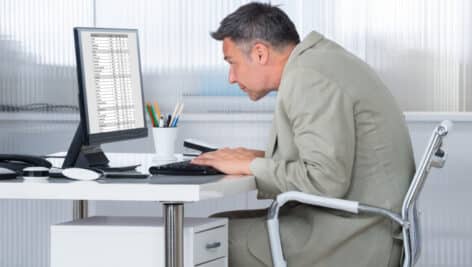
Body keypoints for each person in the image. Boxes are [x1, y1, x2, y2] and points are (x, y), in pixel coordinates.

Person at [191, 2, 415, 267]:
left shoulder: (308, 77)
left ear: (260, 53)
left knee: (205, 239)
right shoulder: (321, 61)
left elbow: (325, 180)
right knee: (216, 225)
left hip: (355, 240)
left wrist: (250, 165)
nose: (230, 77)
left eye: (232, 63)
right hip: (370, 226)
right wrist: (260, 158)